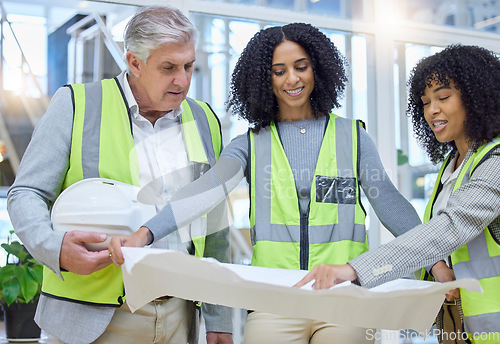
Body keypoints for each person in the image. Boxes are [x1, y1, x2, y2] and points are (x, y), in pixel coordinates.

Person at [108, 22, 422, 344]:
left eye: (301, 67)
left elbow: (390, 203)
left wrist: (435, 261)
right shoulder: (250, 144)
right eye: (279, 71)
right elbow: (205, 191)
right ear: (264, 78)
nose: (293, 79)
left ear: (318, 69)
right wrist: (147, 233)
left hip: (344, 298)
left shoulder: (353, 137)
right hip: (274, 300)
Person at [7, 5, 233, 344]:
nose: (183, 80)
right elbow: (25, 193)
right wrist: (55, 248)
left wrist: (220, 318)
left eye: (189, 66)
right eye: (169, 67)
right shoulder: (75, 104)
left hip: (179, 316)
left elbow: (214, 223)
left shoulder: (204, 120)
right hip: (92, 317)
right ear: (134, 62)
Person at [295, 44, 500, 343]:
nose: (432, 110)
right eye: (426, 101)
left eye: (443, 97)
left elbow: (451, 227)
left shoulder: (495, 161)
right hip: (460, 326)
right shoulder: (451, 167)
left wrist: (355, 269)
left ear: (477, 98)